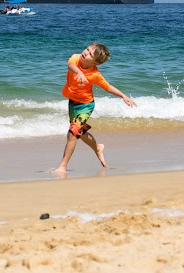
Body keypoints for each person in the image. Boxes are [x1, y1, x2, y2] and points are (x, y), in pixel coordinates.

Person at [53, 42, 136, 174]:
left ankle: (62, 167)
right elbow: (70, 65)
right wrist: (79, 72)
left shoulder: (95, 74)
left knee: (72, 133)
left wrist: (123, 96)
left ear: (95, 63)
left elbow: (107, 86)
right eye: (87, 49)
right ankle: (98, 147)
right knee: (80, 133)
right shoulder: (75, 57)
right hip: (73, 102)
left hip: (86, 105)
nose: (85, 52)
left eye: (90, 54)